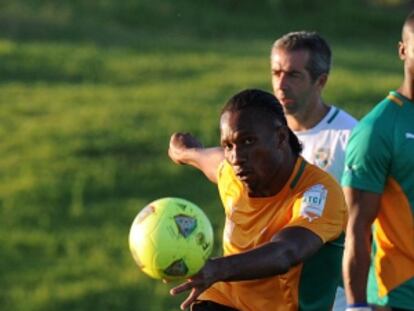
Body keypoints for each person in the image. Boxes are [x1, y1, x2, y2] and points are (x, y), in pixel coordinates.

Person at [169, 31, 357, 309]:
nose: (236, 156)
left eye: (247, 143)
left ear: (281, 138)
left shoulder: (319, 189)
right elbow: (212, 159)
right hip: (226, 300)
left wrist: (216, 269)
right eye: (230, 145)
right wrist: (185, 152)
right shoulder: (233, 169)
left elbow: (286, 252)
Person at [341, 11, 414, 311]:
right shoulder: (378, 128)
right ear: (403, 50)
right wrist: (356, 306)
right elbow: (358, 226)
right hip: (398, 297)